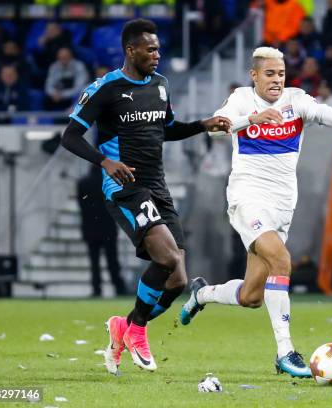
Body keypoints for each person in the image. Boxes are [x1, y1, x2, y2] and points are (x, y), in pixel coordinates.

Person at [179, 46, 332, 378]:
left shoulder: (296, 100)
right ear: (254, 75)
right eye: (269, 74)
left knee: (252, 295)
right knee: (282, 261)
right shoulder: (241, 99)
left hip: (282, 205)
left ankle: (203, 293)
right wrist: (251, 119)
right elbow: (215, 127)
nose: (276, 80)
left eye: (281, 74)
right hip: (247, 198)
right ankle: (285, 352)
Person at [60, 19, 231, 374]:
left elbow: (166, 130)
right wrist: (105, 161)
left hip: (157, 185)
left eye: (158, 48)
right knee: (167, 257)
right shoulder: (106, 87)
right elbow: (70, 137)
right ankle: (137, 331)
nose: (157, 54)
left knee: (179, 279)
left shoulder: (161, 85)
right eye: (150, 49)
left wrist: (202, 124)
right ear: (130, 50)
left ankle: (124, 326)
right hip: (124, 187)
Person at [77, 166, 126, 297]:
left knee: (94, 262)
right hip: (108, 227)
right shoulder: (109, 183)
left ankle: (96, 288)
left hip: (90, 227)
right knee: (112, 260)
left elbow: (82, 207)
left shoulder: (83, 183)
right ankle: (119, 287)